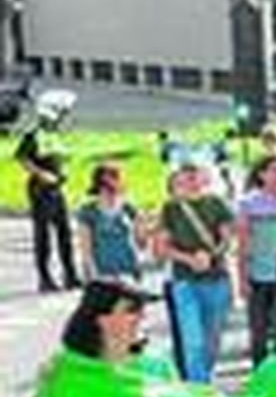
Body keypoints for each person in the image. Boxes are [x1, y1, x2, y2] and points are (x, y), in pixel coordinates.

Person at [155, 162, 235, 384]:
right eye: (185, 178)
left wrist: (211, 255)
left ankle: (204, 377)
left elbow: (227, 239)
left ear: (204, 179)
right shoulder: (170, 209)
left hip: (217, 279)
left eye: (194, 177)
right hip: (184, 281)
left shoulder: (217, 204)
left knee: (212, 340)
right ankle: (198, 388)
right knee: (192, 340)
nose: (190, 182)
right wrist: (188, 259)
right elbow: (162, 247)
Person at [235, 155, 276, 367]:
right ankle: (259, 376)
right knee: (259, 331)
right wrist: (242, 278)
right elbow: (244, 243)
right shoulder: (248, 203)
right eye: (273, 170)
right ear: (261, 174)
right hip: (258, 275)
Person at [56, 277, 176, 381]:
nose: (141, 316)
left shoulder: (157, 366)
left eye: (141, 309)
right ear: (102, 320)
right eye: (132, 310)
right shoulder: (69, 373)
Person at [15, 107, 80, 292]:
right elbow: (22, 158)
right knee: (43, 235)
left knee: (65, 233)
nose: (61, 118)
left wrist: (62, 167)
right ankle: (45, 279)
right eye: (59, 115)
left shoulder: (53, 135)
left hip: (57, 188)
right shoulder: (33, 135)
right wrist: (42, 174)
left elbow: (54, 155)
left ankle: (71, 275)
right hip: (40, 190)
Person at [75, 163, 145, 282]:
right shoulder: (88, 211)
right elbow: (85, 247)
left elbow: (141, 243)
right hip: (103, 273)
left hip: (129, 270)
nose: (124, 183)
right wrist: (89, 272)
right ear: (106, 181)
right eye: (119, 178)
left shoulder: (129, 208)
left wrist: (141, 224)